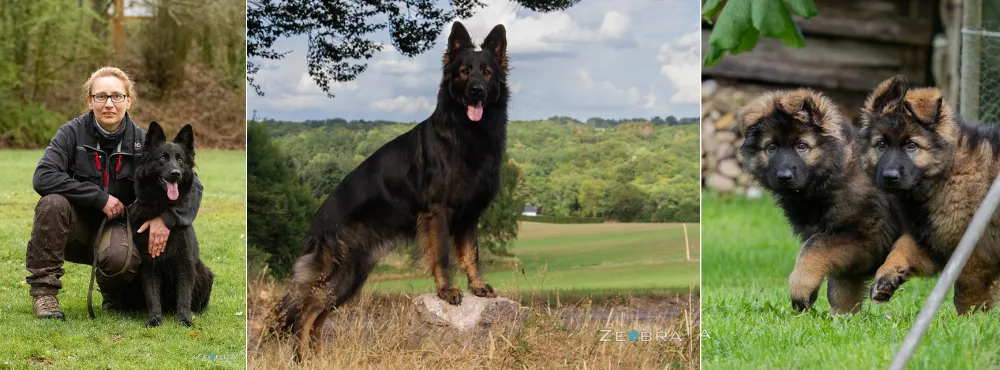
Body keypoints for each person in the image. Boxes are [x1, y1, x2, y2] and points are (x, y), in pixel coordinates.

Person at [26, 66, 203, 319]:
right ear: (90, 100)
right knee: (52, 203)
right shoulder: (71, 134)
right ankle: (44, 294)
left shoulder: (144, 143)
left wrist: (167, 219)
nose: (109, 104)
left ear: (128, 101)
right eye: (101, 96)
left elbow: (193, 184)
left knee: (121, 259)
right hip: (75, 226)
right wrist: (99, 198)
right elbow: (43, 177)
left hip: (118, 228)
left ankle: (113, 294)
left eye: (116, 96)